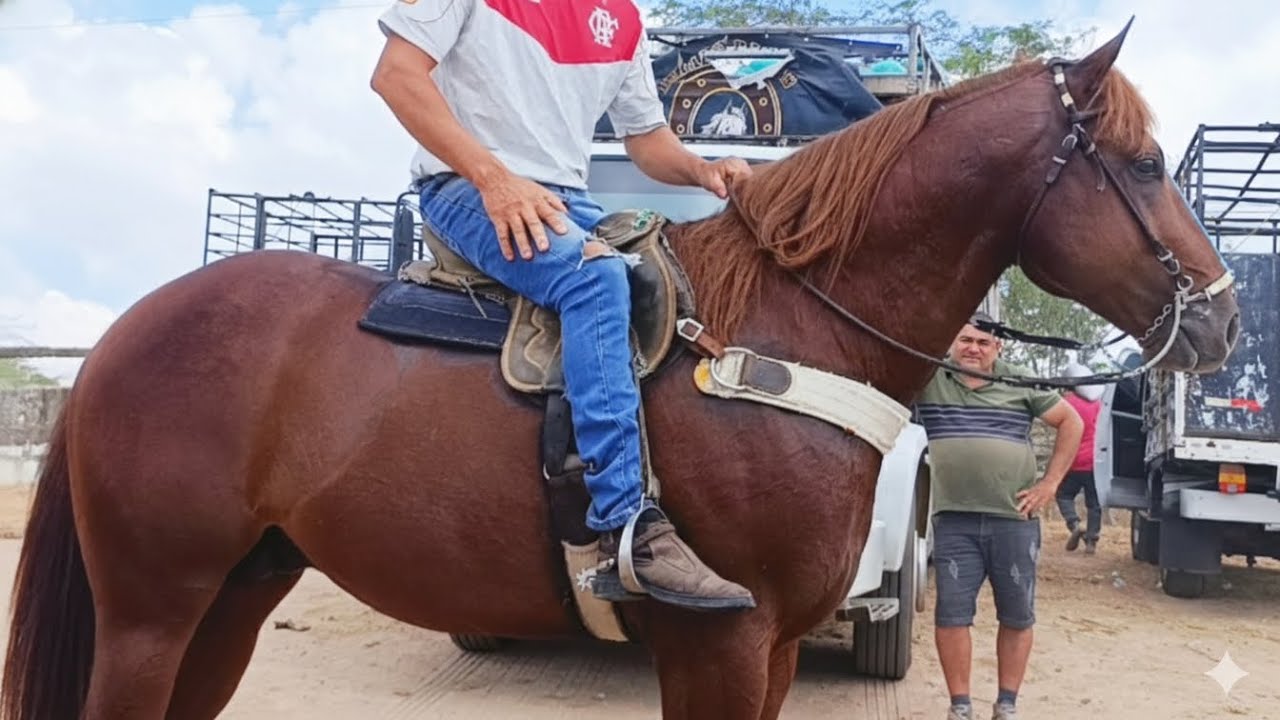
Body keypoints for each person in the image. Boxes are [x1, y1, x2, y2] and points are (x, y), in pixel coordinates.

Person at [369, 0, 755, 612]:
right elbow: (395, 75)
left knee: (675, 284)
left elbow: (646, 140)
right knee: (594, 279)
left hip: (570, 199)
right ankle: (626, 527)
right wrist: (495, 179)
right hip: (465, 186)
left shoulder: (622, 18)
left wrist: (702, 170)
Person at [914, 313, 1083, 720]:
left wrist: (1050, 484)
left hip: (1013, 521)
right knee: (952, 616)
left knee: (1017, 615)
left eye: (983, 343)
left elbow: (1071, 421)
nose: (973, 349)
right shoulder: (929, 378)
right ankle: (960, 706)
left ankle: (1007, 704)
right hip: (954, 521)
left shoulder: (1019, 380)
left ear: (998, 347)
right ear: (953, 342)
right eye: (965, 340)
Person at [1056, 363, 1105, 554]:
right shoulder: (1099, 404)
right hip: (1095, 461)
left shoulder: (1066, 402)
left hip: (1073, 460)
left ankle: (1074, 524)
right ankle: (1091, 541)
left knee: (1063, 495)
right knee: (1094, 503)